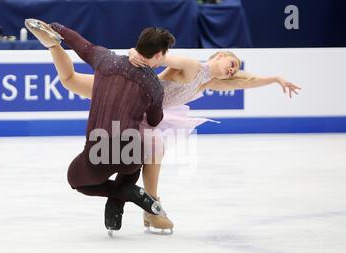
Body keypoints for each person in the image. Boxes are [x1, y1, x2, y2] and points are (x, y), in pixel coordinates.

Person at [26, 20, 301, 234]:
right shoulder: (193, 66)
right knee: (71, 82)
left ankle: (144, 206)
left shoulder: (208, 81)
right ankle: (149, 204)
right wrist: (136, 54)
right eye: (231, 62)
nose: (232, 69)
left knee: (149, 148)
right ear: (217, 55)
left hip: (143, 109)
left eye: (234, 68)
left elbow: (245, 80)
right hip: (139, 103)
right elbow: (163, 58)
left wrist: (276, 78)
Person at [25, 19, 176, 236]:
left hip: (99, 152)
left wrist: (55, 27)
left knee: (75, 180)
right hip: (132, 154)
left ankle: (127, 192)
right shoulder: (154, 86)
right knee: (136, 154)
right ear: (160, 55)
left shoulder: (106, 60)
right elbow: (153, 121)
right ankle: (118, 205)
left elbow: (79, 43)